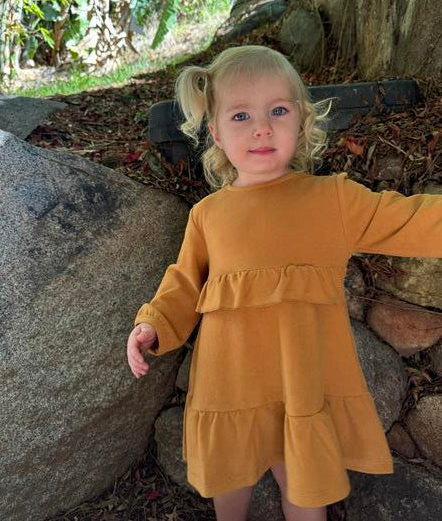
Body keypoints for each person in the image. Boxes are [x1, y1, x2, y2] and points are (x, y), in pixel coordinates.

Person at [127, 45, 442, 521]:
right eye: (240, 115)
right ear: (214, 132)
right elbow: (184, 283)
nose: (261, 127)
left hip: (302, 380)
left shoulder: (332, 200)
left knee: (302, 479)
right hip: (230, 381)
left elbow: (408, 220)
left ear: (302, 121)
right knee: (229, 480)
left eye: (277, 110)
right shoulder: (208, 215)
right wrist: (153, 323)